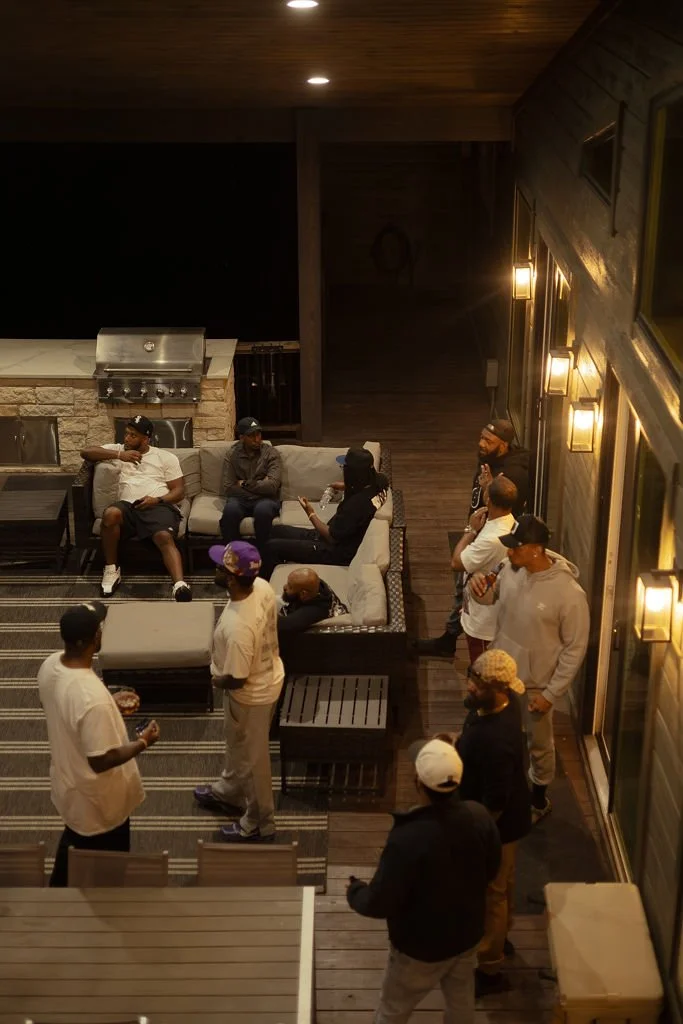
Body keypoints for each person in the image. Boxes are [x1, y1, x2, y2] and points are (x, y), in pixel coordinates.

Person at [346, 737, 501, 1023]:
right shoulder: (479, 817)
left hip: (420, 946)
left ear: (418, 782)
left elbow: (381, 901)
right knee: (462, 1003)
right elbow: (492, 870)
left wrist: (356, 892)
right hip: (467, 933)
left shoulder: (408, 838)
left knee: (394, 1009)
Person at [470, 514, 590, 824]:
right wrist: (476, 588)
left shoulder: (569, 595)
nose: (508, 553)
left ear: (536, 549)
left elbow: (575, 648)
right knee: (495, 736)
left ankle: (538, 801)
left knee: (538, 745)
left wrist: (551, 694)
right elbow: (487, 600)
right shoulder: (512, 569)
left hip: (535, 685)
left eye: (515, 548)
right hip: (498, 677)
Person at [38, 601, 160, 887]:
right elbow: (101, 760)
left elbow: (64, 706)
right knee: (108, 870)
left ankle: (56, 898)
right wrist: (143, 742)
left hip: (70, 783)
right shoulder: (90, 698)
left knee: (73, 847)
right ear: (94, 638)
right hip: (99, 800)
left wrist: (107, 703)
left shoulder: (50, 665)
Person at [193, 541, 285, 842]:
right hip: (268, 674)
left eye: (220, 566)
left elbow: (236, 678)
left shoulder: (238, 630)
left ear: (232, 578)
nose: (215, 568)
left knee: (253, 760)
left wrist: (213, 680)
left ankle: (259, 822)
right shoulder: (262, 586)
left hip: (250, 695)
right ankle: (229, 792)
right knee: (236, 746)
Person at [416, 419, 530, 657]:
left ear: (504, 444)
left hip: (490, 539)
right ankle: (449, 639)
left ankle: (466, 654)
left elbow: (507, 508)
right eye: (481, 437)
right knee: (464, 589)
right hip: (481, 529)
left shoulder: (513, 474)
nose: (481, 443)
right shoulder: (491, 460)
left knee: (468, 586)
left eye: (488, 440)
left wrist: (488, 491)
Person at [457, 649, 531, 997]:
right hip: (508, 818)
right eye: (472, 677)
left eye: (478, 683)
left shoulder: (496, 740)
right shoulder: (504, 704)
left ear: (499, 689)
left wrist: (478, 835)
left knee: (493, 894)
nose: (470, 686)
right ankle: (501, 939)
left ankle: (489, 968)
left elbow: (496, 802)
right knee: (504, 888)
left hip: (498, 827)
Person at [80, 414, 192, 601]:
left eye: (133, 435)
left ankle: (179, 585)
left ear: (146, 439)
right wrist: (119, 455)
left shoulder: (165, 457)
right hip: (128, 507)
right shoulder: (117, 450)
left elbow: (179, 491)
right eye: (127, 433)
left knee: (163, 536)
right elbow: (86, 452)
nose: (127, 438)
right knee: (110, 514)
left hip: (157, 505)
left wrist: (157, 500)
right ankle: (111, 569)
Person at [260, 447, 388, 580]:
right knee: (276, 530)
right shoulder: (380, 482)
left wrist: (310, 513)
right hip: (336, 537)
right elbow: (368, 483)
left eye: (344, 467)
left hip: (336, 551)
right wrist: (345, 485)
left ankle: (262, 586)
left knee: (272, 547)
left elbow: (331, 537)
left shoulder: (355, 506)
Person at [454, 475, 517, 664]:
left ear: (488, 500)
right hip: (493, 610)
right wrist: (488, 485)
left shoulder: (491, 539)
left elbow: (456, 563)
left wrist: (470, 531)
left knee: (483, 672)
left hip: (484, 620)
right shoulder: (510, 522)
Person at [219, 416, 282, 552]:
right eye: (251, 436)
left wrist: (244, 483)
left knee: (263, 511)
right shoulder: (232, 454)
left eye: (258, 434)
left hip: (266, 499)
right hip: (240, 499)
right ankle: (234, 561)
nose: (257, 439)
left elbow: (272, 487)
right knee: (230, 511)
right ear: (242, 438)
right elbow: (229, 488)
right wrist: (260, 484)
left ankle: (264, 559)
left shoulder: (271, 453)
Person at [277, 567, 348, 636]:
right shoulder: (316, 584)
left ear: (303, 594)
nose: (284, 587)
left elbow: (283, 625)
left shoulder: (313, 611)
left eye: (290, 587)